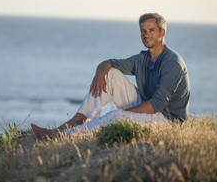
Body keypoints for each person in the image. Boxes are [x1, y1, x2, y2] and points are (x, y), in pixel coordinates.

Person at [31, 13, 190, 140]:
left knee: (116, 115)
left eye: (151, 30)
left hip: (167, 121)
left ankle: (61, 136)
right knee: (110, 73)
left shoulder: (172, 63)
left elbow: (157, 104)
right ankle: (80, 119)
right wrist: (100, 72)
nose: (146, 34)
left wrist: (126, 114)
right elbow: (110, 63)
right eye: (143, 31)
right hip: (149, 108)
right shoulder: (142, 58)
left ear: (162, 32)